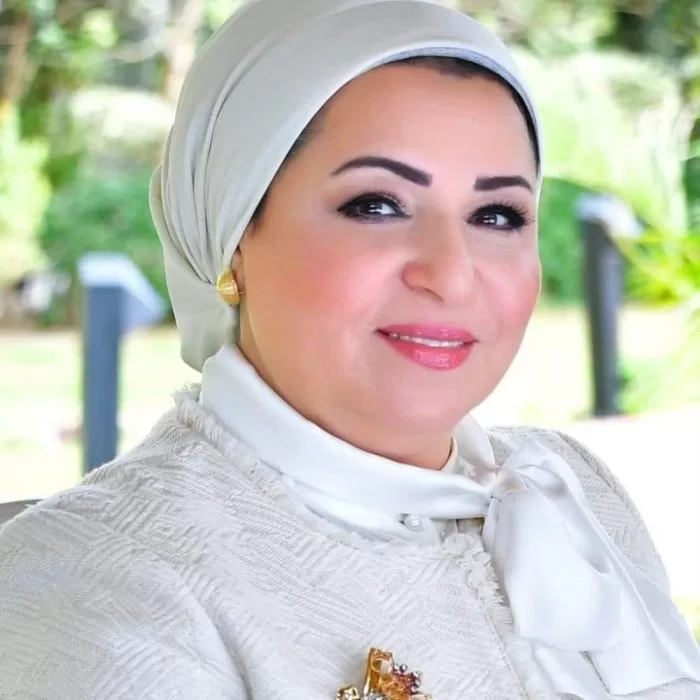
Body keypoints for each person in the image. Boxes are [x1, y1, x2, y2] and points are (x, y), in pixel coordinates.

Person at [0, 0, 698, 698]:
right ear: (231, 234)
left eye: (496, 215)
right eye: (376, 205)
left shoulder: (572, 490)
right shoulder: (96, 586)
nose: (452, 275)